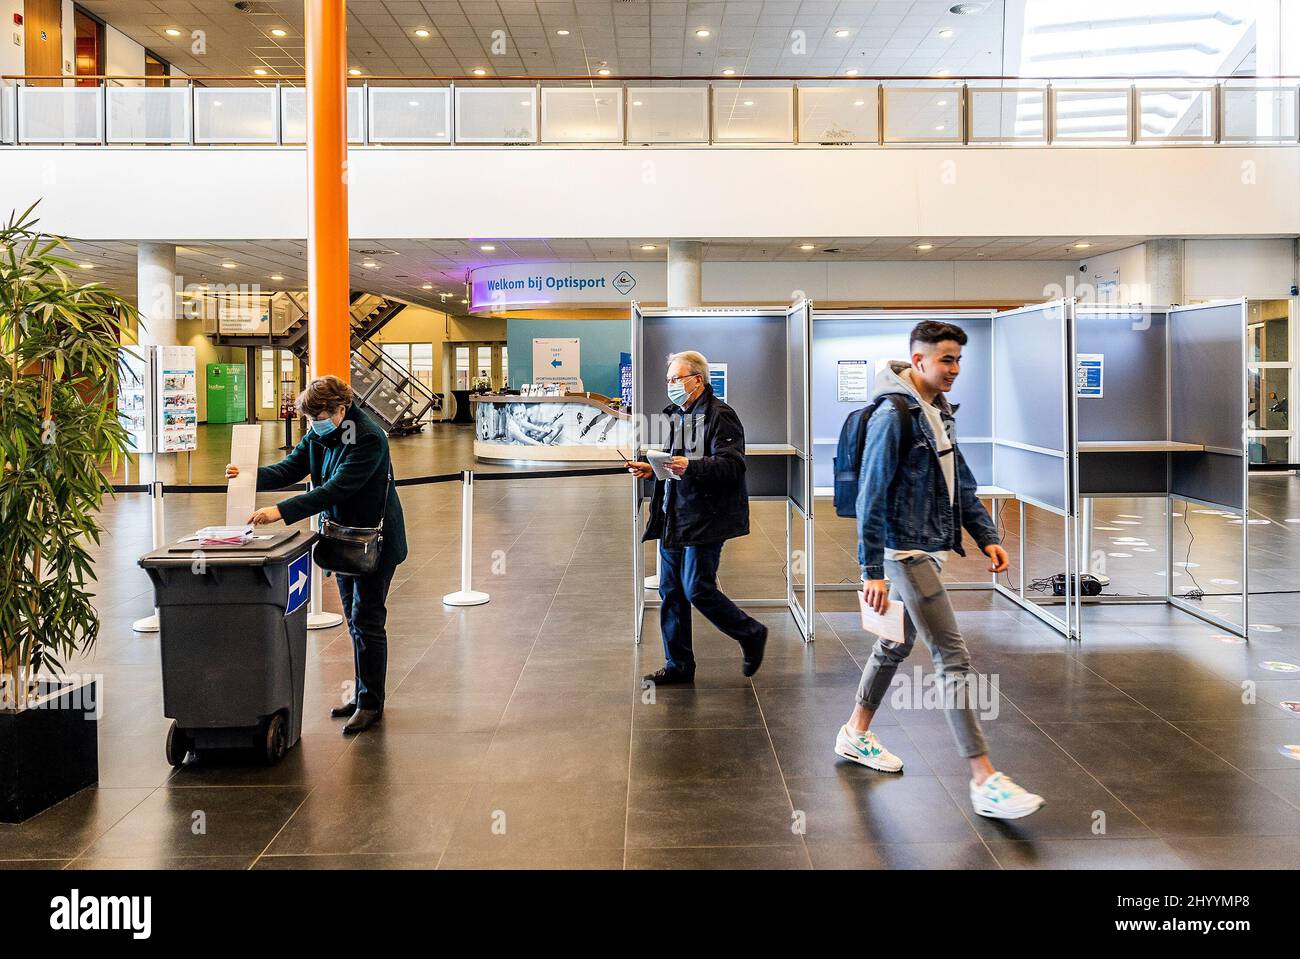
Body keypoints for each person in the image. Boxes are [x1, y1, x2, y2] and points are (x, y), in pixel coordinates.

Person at [836, 321, 1045, 820]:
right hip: (904, 553)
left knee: (894, 644)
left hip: (928, 546)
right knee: (952, 657)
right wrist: (872, 571)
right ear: (918, 359)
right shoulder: (895, 414)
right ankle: (984, 778)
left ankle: (855, 732)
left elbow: (961, 483)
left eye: (958, 361)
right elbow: (871, 497)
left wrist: (988, 535)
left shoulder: (939, 414)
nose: (954, 370)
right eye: (945, 359)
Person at [226, 375, 407, 736]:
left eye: (320, 417)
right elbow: (291, 467)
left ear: (342, 410)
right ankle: (361, 695)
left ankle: (371, 703)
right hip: (342, 541)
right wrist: (248, 475)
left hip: (373, 543)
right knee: (355, 622)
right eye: (309, 419)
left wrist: (280, 511)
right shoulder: (321, 431)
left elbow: (335, 488)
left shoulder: (368, 437)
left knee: (367, 620)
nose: (314, 425)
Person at [627, 350, 768, 687]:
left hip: (705, 517)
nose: (670, 386)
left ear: (697, 380)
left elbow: (732, 466)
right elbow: (673, 464)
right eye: (668, 380)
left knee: (697, 588)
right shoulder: (677, 414)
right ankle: (678, 664)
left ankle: (750, 633)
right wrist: (653, 470)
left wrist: (691, 466)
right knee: (671, 590)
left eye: (675, 379)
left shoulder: (722, 416)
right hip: (673, 514)